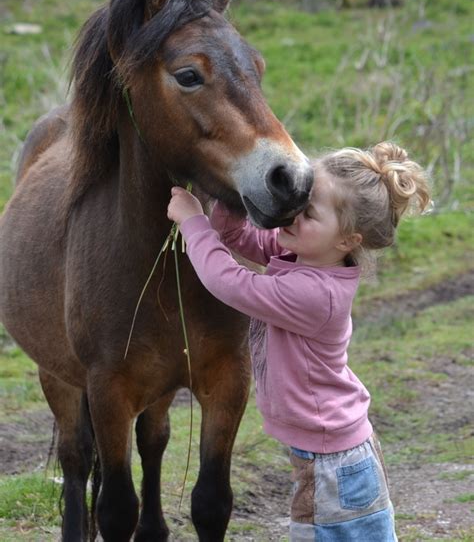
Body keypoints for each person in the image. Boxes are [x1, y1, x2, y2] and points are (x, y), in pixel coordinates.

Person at [167, 142, 431, 541]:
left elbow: (229, 282)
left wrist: (193, 223)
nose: (292, 216)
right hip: (329, 455)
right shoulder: (307, 252)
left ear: (347, 240)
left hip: (333, 465)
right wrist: (232, 193)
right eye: (298, 202)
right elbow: (239, 237)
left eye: (308, 213)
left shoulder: (316, 295)